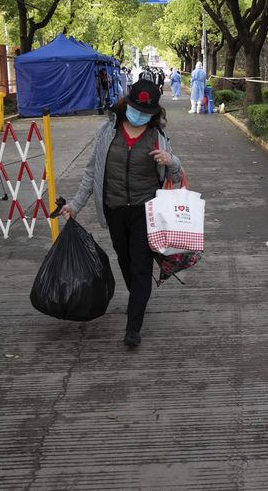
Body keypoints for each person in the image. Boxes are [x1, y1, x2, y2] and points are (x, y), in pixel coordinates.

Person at [61, 79, 183, 347]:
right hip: (114, 209)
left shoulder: (157, 137)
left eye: (146, 112)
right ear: (127, 104)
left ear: (154, 113)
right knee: (125, 261)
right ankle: (138, 298)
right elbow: (92, 174)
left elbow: (177, 173)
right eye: (136, 109)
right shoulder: (107, 132)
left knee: (140, 265)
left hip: (145, 211)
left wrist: (170, 160)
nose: (139, 116)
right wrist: (75, 204)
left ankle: (133, 326)